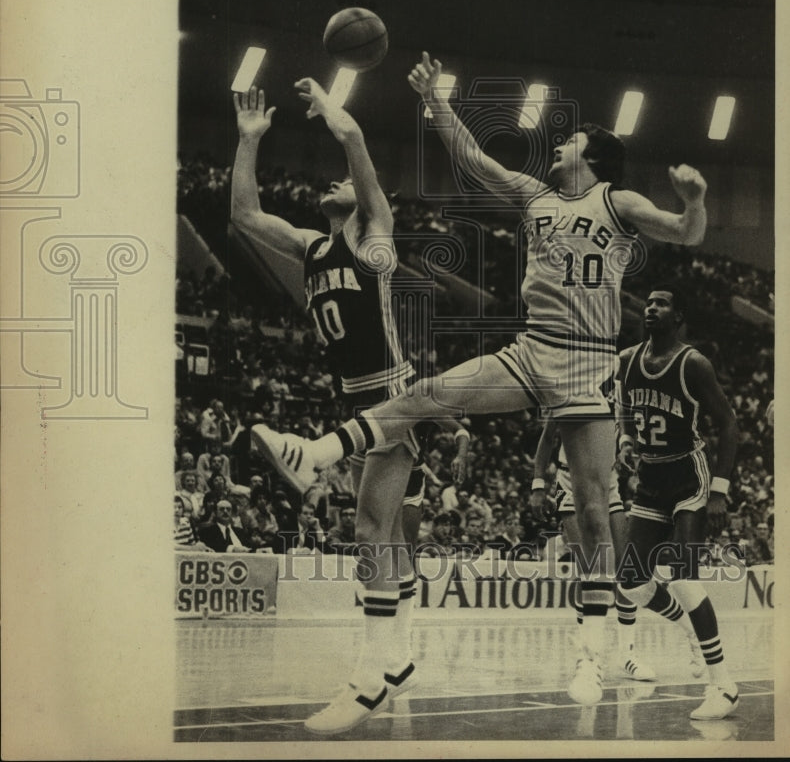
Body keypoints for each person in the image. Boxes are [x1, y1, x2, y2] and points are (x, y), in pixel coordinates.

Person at [254, 51, 708, 709]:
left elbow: (686, 232)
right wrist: (436, 104)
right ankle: (316, 451)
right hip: (532, 351)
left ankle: (592, 656)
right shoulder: (537, 197)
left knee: (589, 512)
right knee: (424, 394)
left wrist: (694, 199)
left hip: (586, 367)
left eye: (571, 141)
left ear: (595, 157)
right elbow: (474, 162)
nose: (560, 144)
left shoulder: (618, 199)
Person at [232, 79, 419, 734]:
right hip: (357, 406)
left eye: (345, 182)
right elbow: (246, 218)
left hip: (391, 397)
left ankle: (369, 678)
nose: (335, 183)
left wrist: (336, 115)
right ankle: (397, 657)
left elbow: (358, 149)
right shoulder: (312, 247)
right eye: (334, 181)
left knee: (372, 533)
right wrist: (248, 142)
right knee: (384, 537)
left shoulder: (374, 240)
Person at [615, 284, 739, 721]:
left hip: (688, 475)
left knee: (684, 579)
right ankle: (690, 626)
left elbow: (728, 423)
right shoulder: (627, 360)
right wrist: (626, 438)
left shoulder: (693, 363)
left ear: (678, 315)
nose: (650, 308)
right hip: (650, 478)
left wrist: (720, 489)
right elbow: (624, 411)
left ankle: (723, 685)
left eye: (660, 303)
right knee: (630, 582)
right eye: (648, 302)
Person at [530, 418, 657, 682]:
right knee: (590, 568)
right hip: (571, 479)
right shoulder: (570, 385)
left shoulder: (616, 386)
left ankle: (627, 653)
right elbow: (546, 438)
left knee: (627, 570)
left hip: (607, 480)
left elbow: (625, 426)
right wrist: (538, 484)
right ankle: (588, 654)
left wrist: (625, 446)